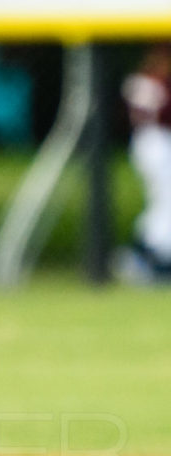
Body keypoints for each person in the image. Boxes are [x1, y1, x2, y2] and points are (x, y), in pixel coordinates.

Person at [118, 44, 171, 285]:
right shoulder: (149, 80)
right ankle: (145, 255)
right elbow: (150, 114)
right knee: (164, 199)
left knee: (163, 200)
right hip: (153, 141)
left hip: (155, 141)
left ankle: (149, 254)